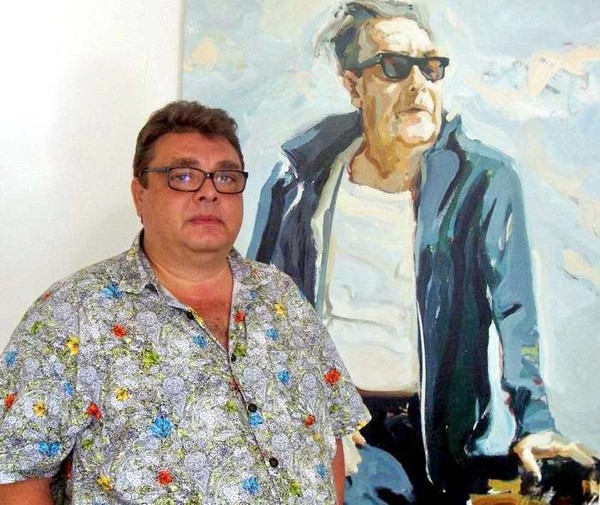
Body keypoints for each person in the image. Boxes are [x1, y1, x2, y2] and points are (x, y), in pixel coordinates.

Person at [249, 1, 596, 503]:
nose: (418, 86)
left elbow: (516, 313)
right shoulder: (298, 181)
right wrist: (306, 420)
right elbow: (260, 318)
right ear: (354, 86)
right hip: (336, 428)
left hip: (444, 438)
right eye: (395, 67)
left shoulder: (484, 180)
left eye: (430, 68)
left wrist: (535, 422)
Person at [0, 100, 370, 504]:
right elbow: (14, 474)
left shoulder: (282, 297)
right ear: (140, 195)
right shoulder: (72, 313)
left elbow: (329, 435)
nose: (209, 192)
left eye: (226, 177)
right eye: (183, 176)